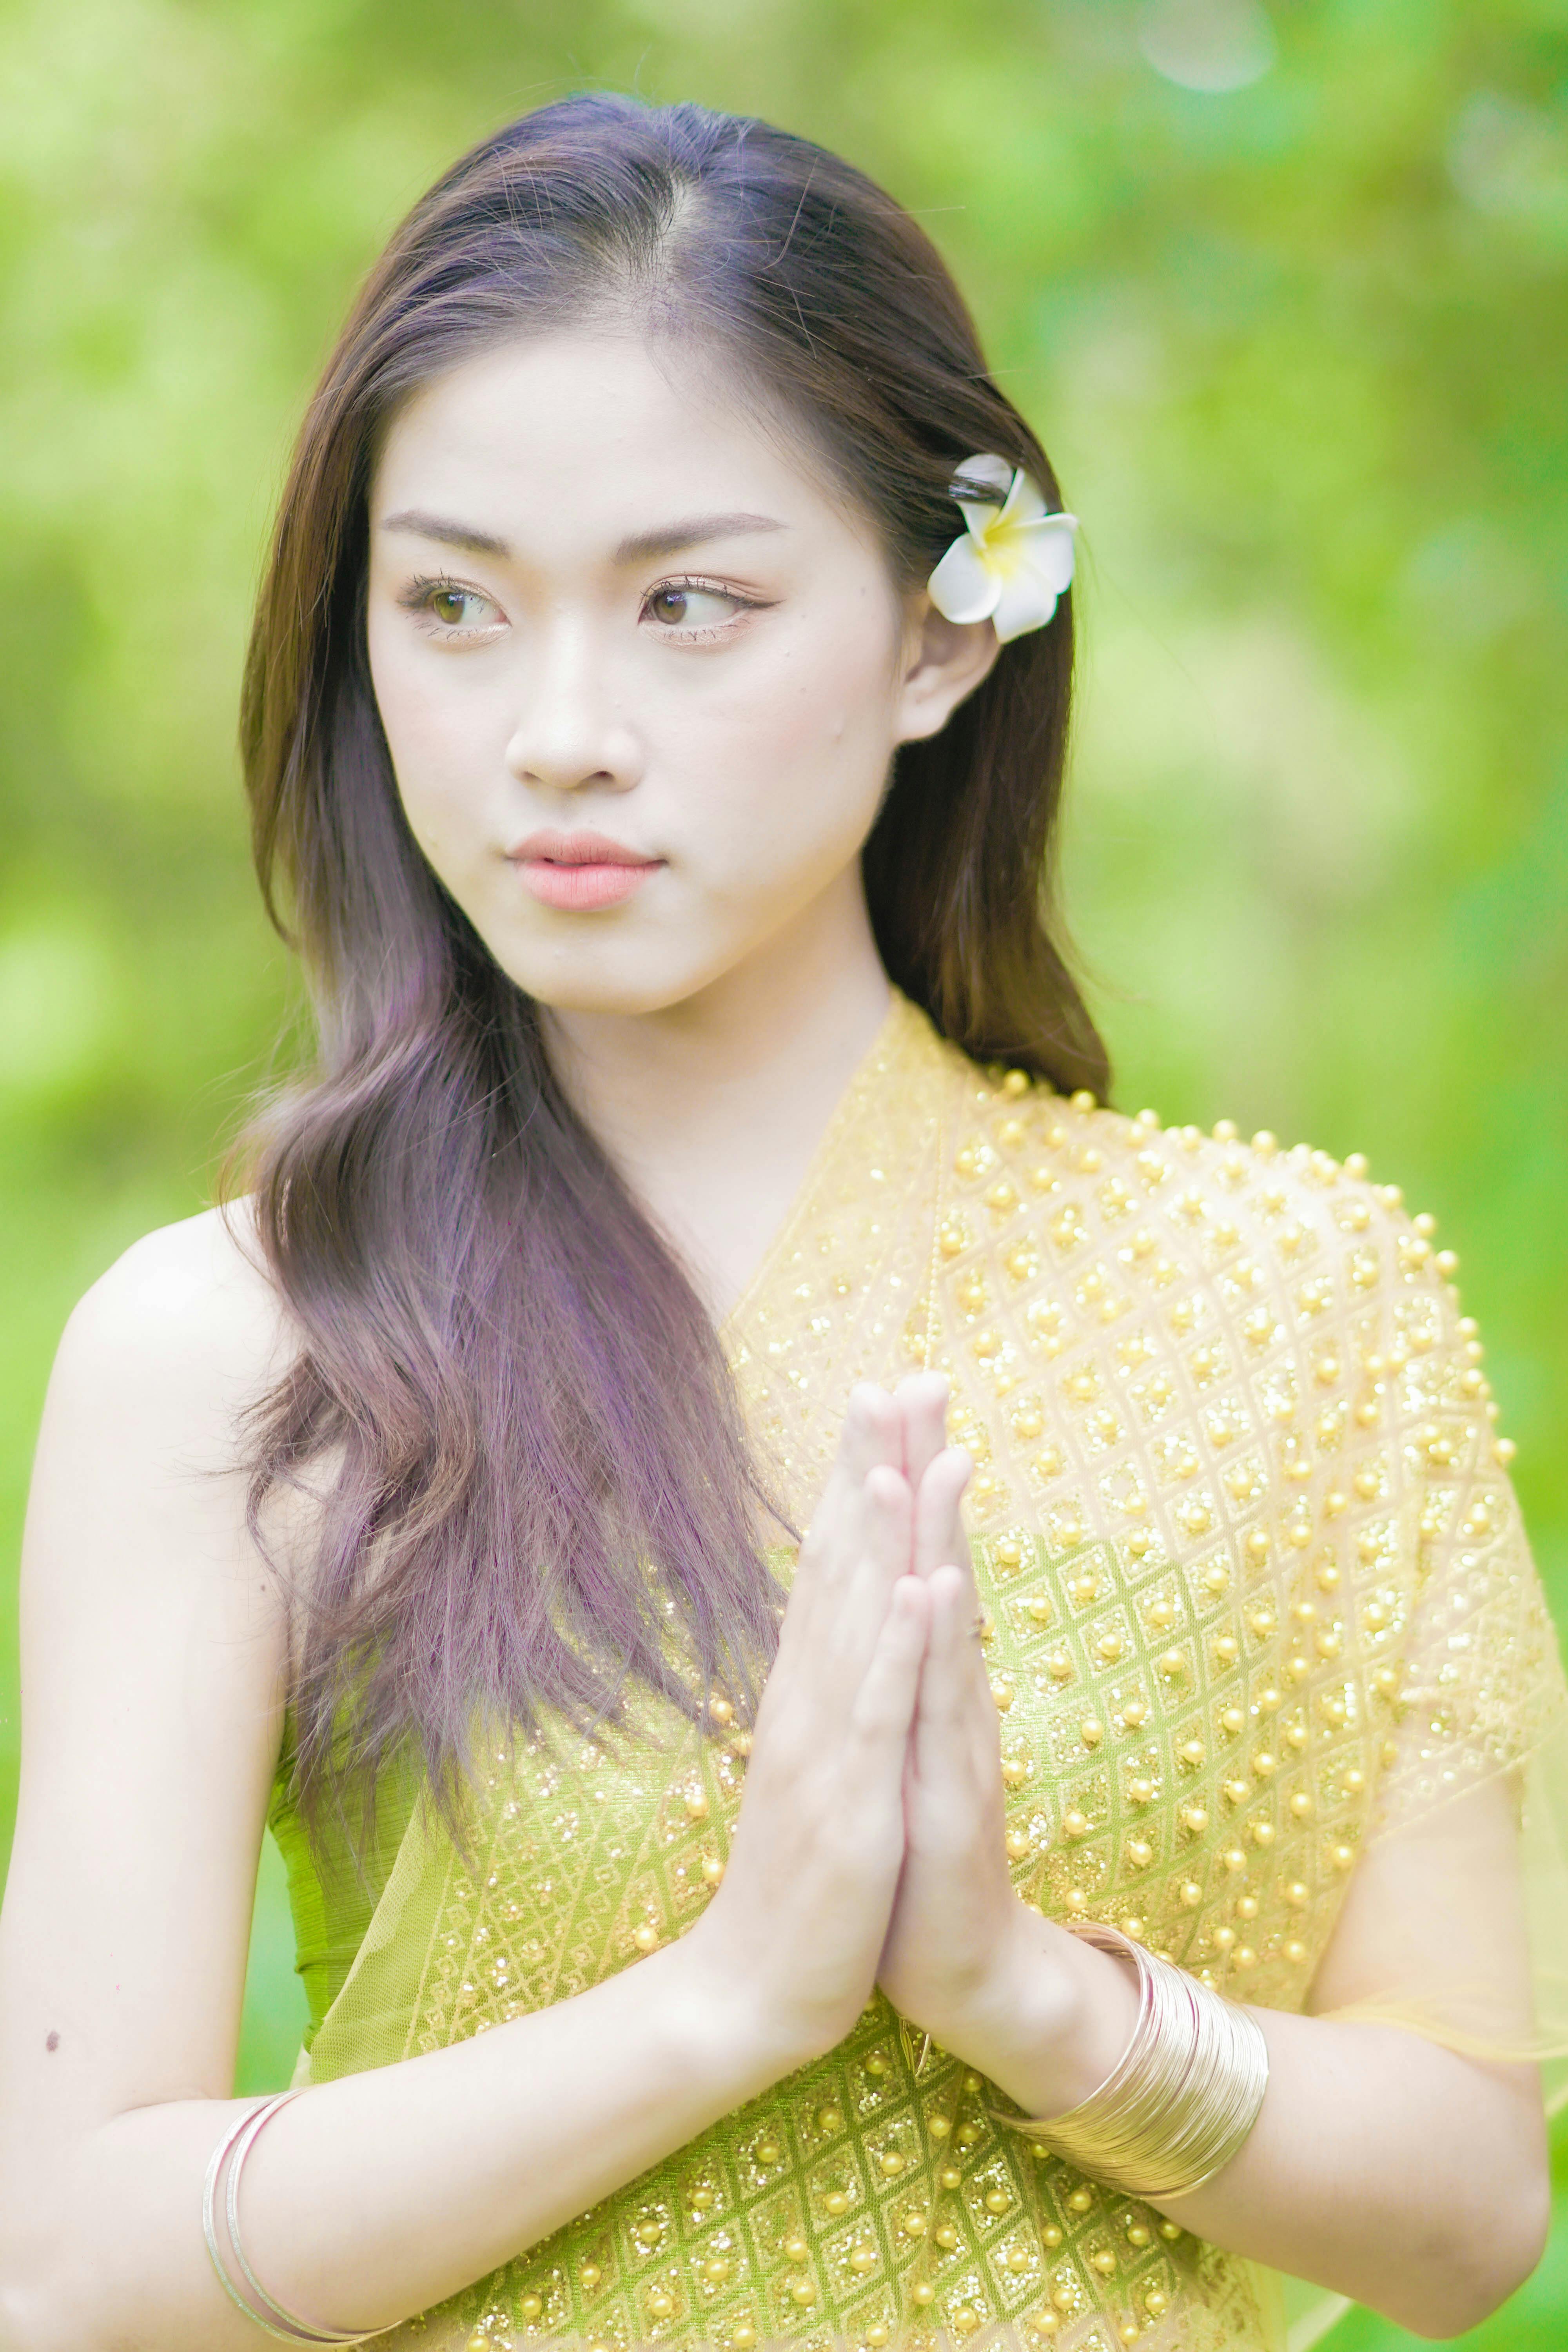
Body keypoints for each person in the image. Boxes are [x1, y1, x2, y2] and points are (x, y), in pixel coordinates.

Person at [1, 93, 1565, 2352]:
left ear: (946, 633)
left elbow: (1465, 2204)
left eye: (692, 609)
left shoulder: (1297, 1302)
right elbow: (66, 2265)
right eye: (451, 605)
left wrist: (1040, 2006)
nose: (555, 734)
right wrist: (728, 1999)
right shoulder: (251, 1345)